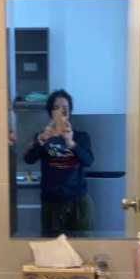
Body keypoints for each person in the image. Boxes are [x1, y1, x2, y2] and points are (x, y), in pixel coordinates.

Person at [24, 89, 94, 236]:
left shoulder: (81, 136)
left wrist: (71, 143)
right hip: (51, 202)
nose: (61, 112)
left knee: (82, 245)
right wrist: (41, 140)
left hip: (78, 201)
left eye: (65, 109)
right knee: (51, 245)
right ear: (50, 112)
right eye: (56, 108)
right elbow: (28, 159)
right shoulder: (42, 137)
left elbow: (88, 161)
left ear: (70, 112)